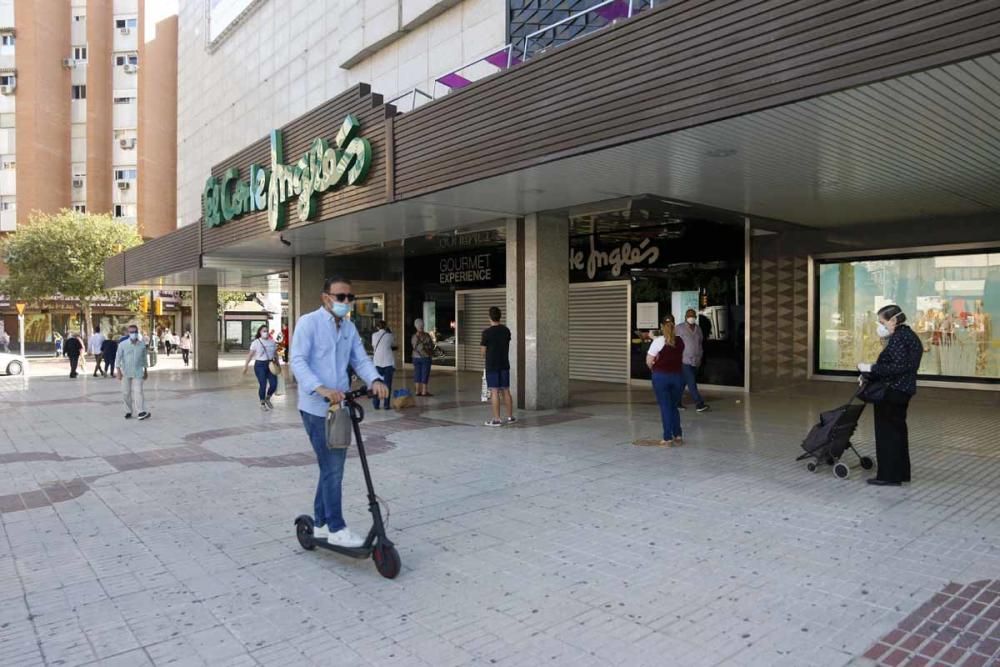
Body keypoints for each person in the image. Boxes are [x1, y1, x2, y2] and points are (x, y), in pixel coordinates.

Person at [290, 276, 389, 548]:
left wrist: (375, 380)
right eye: (340, 297)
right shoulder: (308, 323)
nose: (346, 302)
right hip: (315, 408)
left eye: (350, 298)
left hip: (340, 407)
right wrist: (319, 388)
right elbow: (297, 360)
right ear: (326, 297)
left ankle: (321, 523)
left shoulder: (348, 327)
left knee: (331, 467)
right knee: (333, 468)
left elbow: (360, 358)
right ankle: (336, 527)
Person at [857, 304, 923, 486]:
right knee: (898, 432)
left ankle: (888, 476)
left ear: (894, 320)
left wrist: (871, 368)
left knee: (887, 434)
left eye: (882, 322)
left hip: (892, 392)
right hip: (902, 391)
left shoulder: (900, 338)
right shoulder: (908, 336)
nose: (881, 326)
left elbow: (898, 367)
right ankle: (901, 472)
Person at [646, 315, 685, 446]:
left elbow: (649, 361)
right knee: (673, 406)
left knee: (665, 407)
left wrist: (654, 366)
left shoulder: (658, 342)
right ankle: (678, 435)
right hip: (677, 377)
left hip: (661, 377)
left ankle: (667, 438)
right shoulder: (680, 341)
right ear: (675, 326)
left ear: (662, 327)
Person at [481, 306, 515, 426]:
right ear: (500, 316)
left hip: (492, 365)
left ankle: (497, 419)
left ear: (489, 317)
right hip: (504, 364)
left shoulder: (486, 333)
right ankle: (510, 417)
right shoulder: (506, 331)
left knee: (494, 391)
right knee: (506, 390)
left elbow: (483, 352)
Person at [676, 308, 710, 412]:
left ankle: (676, 403)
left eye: (693, 316)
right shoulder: (679, 328)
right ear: (685, 317)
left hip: (696, 361)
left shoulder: (698, 329)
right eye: (689, 315)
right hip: (684, 360)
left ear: (695, 317)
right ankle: (699, 404)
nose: (691, 318)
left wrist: (700, 356)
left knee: (682, 383)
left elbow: (700, 344)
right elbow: (673, 342)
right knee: (691, 382)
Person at [116, 324, 150, 420]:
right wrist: (118, 371)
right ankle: (128, 411)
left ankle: (141, 412)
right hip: (125, 372)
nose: (133, 334)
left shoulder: (142, 344)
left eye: (135, 332)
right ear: (128, 333)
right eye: (131, 332)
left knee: (138, 391)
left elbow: (144, 358)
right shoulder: (122, 344)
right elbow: (118, 357)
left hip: (138, 371)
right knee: (126, 392)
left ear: (137, 332)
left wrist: (146, 370)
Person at [243, 324, 279, 411]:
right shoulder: (256, 342)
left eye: (266, 331)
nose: (266, 333)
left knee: (274, 384)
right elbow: (250, 355)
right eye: (264, 331)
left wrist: (277, 364)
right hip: (260, 365)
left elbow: (275, 353)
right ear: (260, 332)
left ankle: (268, 398)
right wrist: (246, 366)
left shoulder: (272, 342)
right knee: (263, 384)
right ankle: (262, 403)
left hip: (271, 364)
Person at [370, 321, 396, 410]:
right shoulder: (389, 336)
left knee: (377, 384)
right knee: (387, 384)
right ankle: (386, 405)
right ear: (386, 326)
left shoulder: (374, 335)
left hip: (377, 362)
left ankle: (376, 404)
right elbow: (393, 344)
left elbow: (374, 346)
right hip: (388, 362)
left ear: (377, 327)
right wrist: (389, 331)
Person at [411, 318, 434, 396]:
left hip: (415, 357)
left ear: (415, 326)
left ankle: (417, 391)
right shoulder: (427, 335)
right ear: (423, 325)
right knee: (425, 373)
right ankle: (424, 391)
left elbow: (413, 346)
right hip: (425, 357)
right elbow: (431, 346)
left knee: (417, 373)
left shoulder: (414, 336)